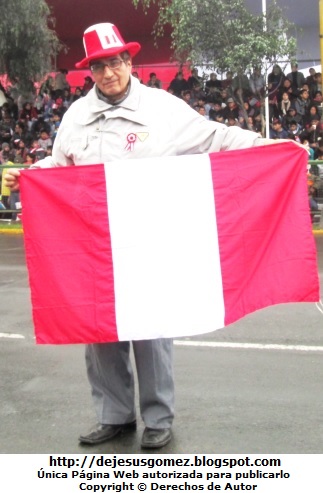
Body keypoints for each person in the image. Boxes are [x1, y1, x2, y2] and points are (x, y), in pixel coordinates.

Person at [5, 22, 300, 450]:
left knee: (152, 332)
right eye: (100, 67)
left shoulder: (162, 109)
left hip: (147, 242)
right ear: (90, 72)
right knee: (101, 333)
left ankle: (159, 418)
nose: (109, 73)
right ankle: (115, 416)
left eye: (117, 63)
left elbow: (215, 137)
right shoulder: (76, 117)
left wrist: (271, 146)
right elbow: (59, 166)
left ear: (130, 62)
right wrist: (29, 177)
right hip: (95, 244)